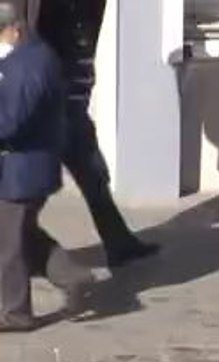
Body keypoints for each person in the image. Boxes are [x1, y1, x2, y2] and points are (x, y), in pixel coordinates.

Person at [37, 0, 157, 268]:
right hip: (57, 99)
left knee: (93, 176)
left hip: (71, 98)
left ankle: (119, 243)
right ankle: (42, 257)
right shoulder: (56, 10)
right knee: (28, 194)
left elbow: (81, 46)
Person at [0, 2, 94, 332]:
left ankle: (16, 313)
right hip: (25, 167)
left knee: (7, 244)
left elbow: (10, 122)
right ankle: (74, 276)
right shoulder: (26, 59)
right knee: (23, 235)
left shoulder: (27, 65)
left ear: (15, 30)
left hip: (22, 171)